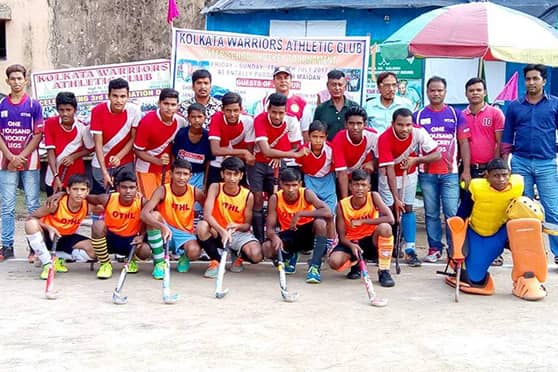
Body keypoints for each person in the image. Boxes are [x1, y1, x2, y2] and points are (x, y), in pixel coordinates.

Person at [446, 159, 547, 300]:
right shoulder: (476, 187)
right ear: (486, 175)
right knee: (475, 278)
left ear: (510, 174)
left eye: (505, 175)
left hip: (503, 231)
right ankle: (460, 265)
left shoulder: (517, 186)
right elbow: (461, 215)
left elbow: (528, 209)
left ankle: (528, 277)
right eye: (496, 176)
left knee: (526, 223)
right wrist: (457, 246)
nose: (501, 179)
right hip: (478, 233)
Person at [502, 64, 558, 264]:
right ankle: (526, 251)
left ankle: (557, 252)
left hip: (547, 163)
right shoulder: (515, 106)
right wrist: (504, 164)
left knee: (552, 209)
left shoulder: (554, 104)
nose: (531, 82)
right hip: (520, 163)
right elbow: (508, 135)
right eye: (528, 79)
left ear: (544, 81)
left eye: (535, 78)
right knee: (523, 209)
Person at [414, 76, 471, 261]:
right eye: (432, 90)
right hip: (427, 174)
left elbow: (463, 143)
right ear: (427, 92)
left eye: (439, 90)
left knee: (451, 213)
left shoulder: (456, 114)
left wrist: (466, 170)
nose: (436, 93)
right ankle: (434, 249)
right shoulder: (419, 115)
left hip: (450, 174)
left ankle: (455, 249)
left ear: (445, 92)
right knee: (431, 213)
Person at [378, 108, 440, 266]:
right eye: (400, 125)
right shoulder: (384, 138)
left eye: (408, 125)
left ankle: (410, 249)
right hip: (388, 177)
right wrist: (396, 198)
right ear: (393, 124)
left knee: (408, 208)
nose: (405, 129)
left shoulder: (419, 132)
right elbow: (389, 170)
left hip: (409, 173)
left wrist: (416, 161)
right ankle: (391, 243)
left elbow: (437, 154)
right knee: (391, 209)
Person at [460, 77, 505, 266]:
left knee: (494, 212)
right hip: (470, 170)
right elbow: (463, 143)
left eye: (479, 90)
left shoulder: (496, 113)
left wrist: (493, 169)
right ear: (466, 94)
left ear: (485, 92)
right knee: (468, 210)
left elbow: (500, 142)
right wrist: (467, 171)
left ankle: (496, 253)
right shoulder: (462, 115)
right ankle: (464, 249)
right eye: (471, 90)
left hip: (492, 172)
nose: (475, 93)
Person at [0, 64, 43, 261]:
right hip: (5, 163)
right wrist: (10, 156)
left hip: (30, 163)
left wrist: (20, 157)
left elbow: (37, 135)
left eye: (20, 78)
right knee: (7, 206)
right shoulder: (1, 105)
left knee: (33, 205)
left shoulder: (34, 105)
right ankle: (7, 246)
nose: (16, 82)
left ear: (25, 80)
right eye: (13, 79)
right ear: (7, 81)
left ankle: (34, 246)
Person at [248, 93, 306, 242]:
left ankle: (281, 237)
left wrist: (280, 156)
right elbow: (266, 151)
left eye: (281, 113)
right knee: (258, 199)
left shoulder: (292, 121)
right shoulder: (260, 119)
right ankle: (259, 239)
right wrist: (286, 154)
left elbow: (297, 148)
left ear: (285, 111)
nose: (277, 116)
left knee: (280, 199)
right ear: (268, 109)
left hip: (280, 162)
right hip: (258, 162)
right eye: (274, 112)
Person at [262, 168, 332, 283]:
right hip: (289, 234)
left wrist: (300, 214)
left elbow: (327, 212)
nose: (291, 189)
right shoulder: (275, 198)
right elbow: (270, 228)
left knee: (320, 223)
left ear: (300, 184)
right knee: (267, 248)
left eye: (294, 185)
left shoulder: (306, 193)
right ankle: (290, 256)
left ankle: (315, 266)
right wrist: (275, 237)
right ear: (281, 184)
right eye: (287, 185)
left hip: (307, 233)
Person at [328, 169, 396, 287]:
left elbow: (391, 219)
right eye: (356, 185)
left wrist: (364, 221)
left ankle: (384, 270)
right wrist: (351, 245)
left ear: (368, 187)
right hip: (351, 241)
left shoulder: (374, 197)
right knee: (334, 262)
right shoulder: (342, 205)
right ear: (350, 186)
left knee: (385, 228)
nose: (360, 188)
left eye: (363, 185)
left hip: (371, 240)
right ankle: (356, 263)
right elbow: (342, 237)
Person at [197, 156, 263, 278]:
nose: (232, 178)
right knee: (201, 226)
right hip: (217, 230)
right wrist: (222, 232)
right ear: (222, 174)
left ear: (241, 176)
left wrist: (237, 226)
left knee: (256, 255)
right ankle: (216, 261)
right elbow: (207, 214)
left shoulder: (248, 195)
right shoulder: (215, 187)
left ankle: (237, 254)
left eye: (235, 174)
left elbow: (247, 225)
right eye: (228, 174)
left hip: (236, 232)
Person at [141, 159, 205, 279]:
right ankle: (160, 263)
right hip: (164, 228)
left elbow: (208, 209)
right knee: (154, 216)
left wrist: (201, 226)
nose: (181, 177)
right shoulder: (162, 190)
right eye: (178, 173)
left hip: (185, 233)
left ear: (190, 176)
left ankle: (184, 257)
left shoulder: (195, 192)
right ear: (171, 174)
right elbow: (144, 213)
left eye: (185, 174)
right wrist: (162, 226)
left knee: (194, 251)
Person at [24, 174, 95, 279]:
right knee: (30, 225)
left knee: (95, 251)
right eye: (75, 189)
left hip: (66, 237)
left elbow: (108, 202)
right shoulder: (55, 204)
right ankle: (48, 264)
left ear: (87, 191)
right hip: (48, 236)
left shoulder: (88, 205)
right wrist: (48, 227)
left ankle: (57, 258)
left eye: (82, 189)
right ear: (68, 190)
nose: (79, 193)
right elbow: (31, 218)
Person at [87, 170, 151, 279]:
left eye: (132, 188)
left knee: (145, 251)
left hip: (131, 241)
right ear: (117, 188)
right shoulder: (107, 198)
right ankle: (105, 264)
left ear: (137, 188)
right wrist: (62, 194)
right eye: (124, 187)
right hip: (110, 238)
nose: (128, 191)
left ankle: (131, 260)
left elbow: (149, 218)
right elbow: (85, 197)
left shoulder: (142, 202)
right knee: (98, 225)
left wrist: (142, 235)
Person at [90, 78, 141, 194]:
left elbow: (133, 138)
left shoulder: (135, 111)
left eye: (123, 96)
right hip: (101, 163)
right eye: (115, 96)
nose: (119, 100)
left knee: (126, 196)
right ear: (109, 96)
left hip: (125, 161)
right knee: (102, 201)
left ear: (128, 96)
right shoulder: (97, 111)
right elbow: (98, 144)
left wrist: (119, 156)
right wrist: (104, 172)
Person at [134, 88, 185, 199]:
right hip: (146, 169)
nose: (169, 108)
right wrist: (157, 161)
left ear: (177, 106)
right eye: (166, 104)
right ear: (159, 103)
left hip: (167, 170)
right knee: (148, 202)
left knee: (166, 201)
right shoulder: (147, 122)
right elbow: (138, 150)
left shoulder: (181, 122)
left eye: (173, 104)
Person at [44, 92, 94, 196]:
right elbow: (50, 151)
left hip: (76, 175)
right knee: (54, 206)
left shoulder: (82, 127)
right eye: (61, 110)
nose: (65, 113)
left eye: (68, 110)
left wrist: (73, 156)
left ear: (75, 110)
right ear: (57, 110)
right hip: (53, 175)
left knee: (75, 206)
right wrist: (56, 176)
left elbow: (90, 148)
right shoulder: (50, 124)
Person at [295, 120, 337, 230]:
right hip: (309, 181)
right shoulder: (303, 150)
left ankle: (331, 240)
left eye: (321, 137)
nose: (318, 140)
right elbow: (299, 168)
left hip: (327, 181)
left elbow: (335, 168)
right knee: (314, 213)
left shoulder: (331, 149)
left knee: (330, 214)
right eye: (314, 136)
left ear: (326, 137)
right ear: (309, 136)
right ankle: (317, 238)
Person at [207, 92, 255, 185]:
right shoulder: (216, 118)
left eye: (236, 110)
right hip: (218, 164)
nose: (232, 114)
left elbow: (250, 154)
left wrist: (231, 156)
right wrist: (243, 152)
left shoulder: (248, 121)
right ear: (222, 110)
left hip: (238, 166)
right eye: (228, 110)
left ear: (241, 109)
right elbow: (215, 150)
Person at [256, 66, 313, 142]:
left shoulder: (302, 103)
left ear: (291, 81)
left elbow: (305, 131)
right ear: (273, 81)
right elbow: (258, 127)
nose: (283, 81)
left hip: (293, 149)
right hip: (269, 148)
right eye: (279, 78)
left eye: (286, 78)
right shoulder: (264, 102)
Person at [332, 106, 378, 199]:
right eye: (351, 123)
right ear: (345, 124)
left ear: (365, 124)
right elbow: (342, 173)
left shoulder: (373, 135)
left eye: (359, 123)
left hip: (364, 173)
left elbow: (382, 158)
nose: (355, 127)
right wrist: (345, 202)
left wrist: (373, 163)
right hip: (344, 176)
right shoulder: (338, 139)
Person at [172, 102, 212, 203]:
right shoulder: (181, 134)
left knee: (196, 205)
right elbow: (174, 155)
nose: (196, 120)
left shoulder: (208, 137)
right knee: (179, 202)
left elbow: (208, 162)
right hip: (181, 175)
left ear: (205, 117)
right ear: (188, 118)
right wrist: (173, 174)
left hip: (199, 175)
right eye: (193, 117)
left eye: (200, 116)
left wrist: (204, 183)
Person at [313, 70, 359, 141]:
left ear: (345, 86)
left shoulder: (354, 107)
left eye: (340, 85)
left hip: (349, 150)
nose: (337, 88)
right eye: (333, 85)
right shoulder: (321, 109)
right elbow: (315, 132)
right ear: (328, 86)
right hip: (327, 150)